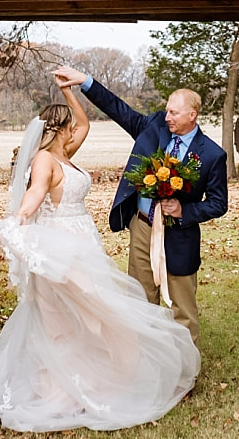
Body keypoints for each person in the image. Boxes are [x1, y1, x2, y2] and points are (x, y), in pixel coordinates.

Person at [0, 81, 199, 432]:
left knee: (89, 315)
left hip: (84, 242)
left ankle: (96, 376)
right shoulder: (44, 161)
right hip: (61, 247)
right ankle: (67, 387)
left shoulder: (65, 153)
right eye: (69, 128)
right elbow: (35, 194)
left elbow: (84, 123)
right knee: (78, 317)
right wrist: (19, 220)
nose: (75, 132)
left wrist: (70, 92)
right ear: (61, 132)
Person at [53, 66, 228, 347]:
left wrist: (185, 211)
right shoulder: (154, 127)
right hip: (143, 226)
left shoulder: (212, 154)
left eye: (174, 112)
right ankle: (145, 368)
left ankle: (185, 376)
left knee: (182, 308)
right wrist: (85, 82)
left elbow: (219, 204)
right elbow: (117, 108)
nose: (167, 116)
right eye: (167, 111)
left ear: (192, 115)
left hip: (179, 235)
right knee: (141, 302)